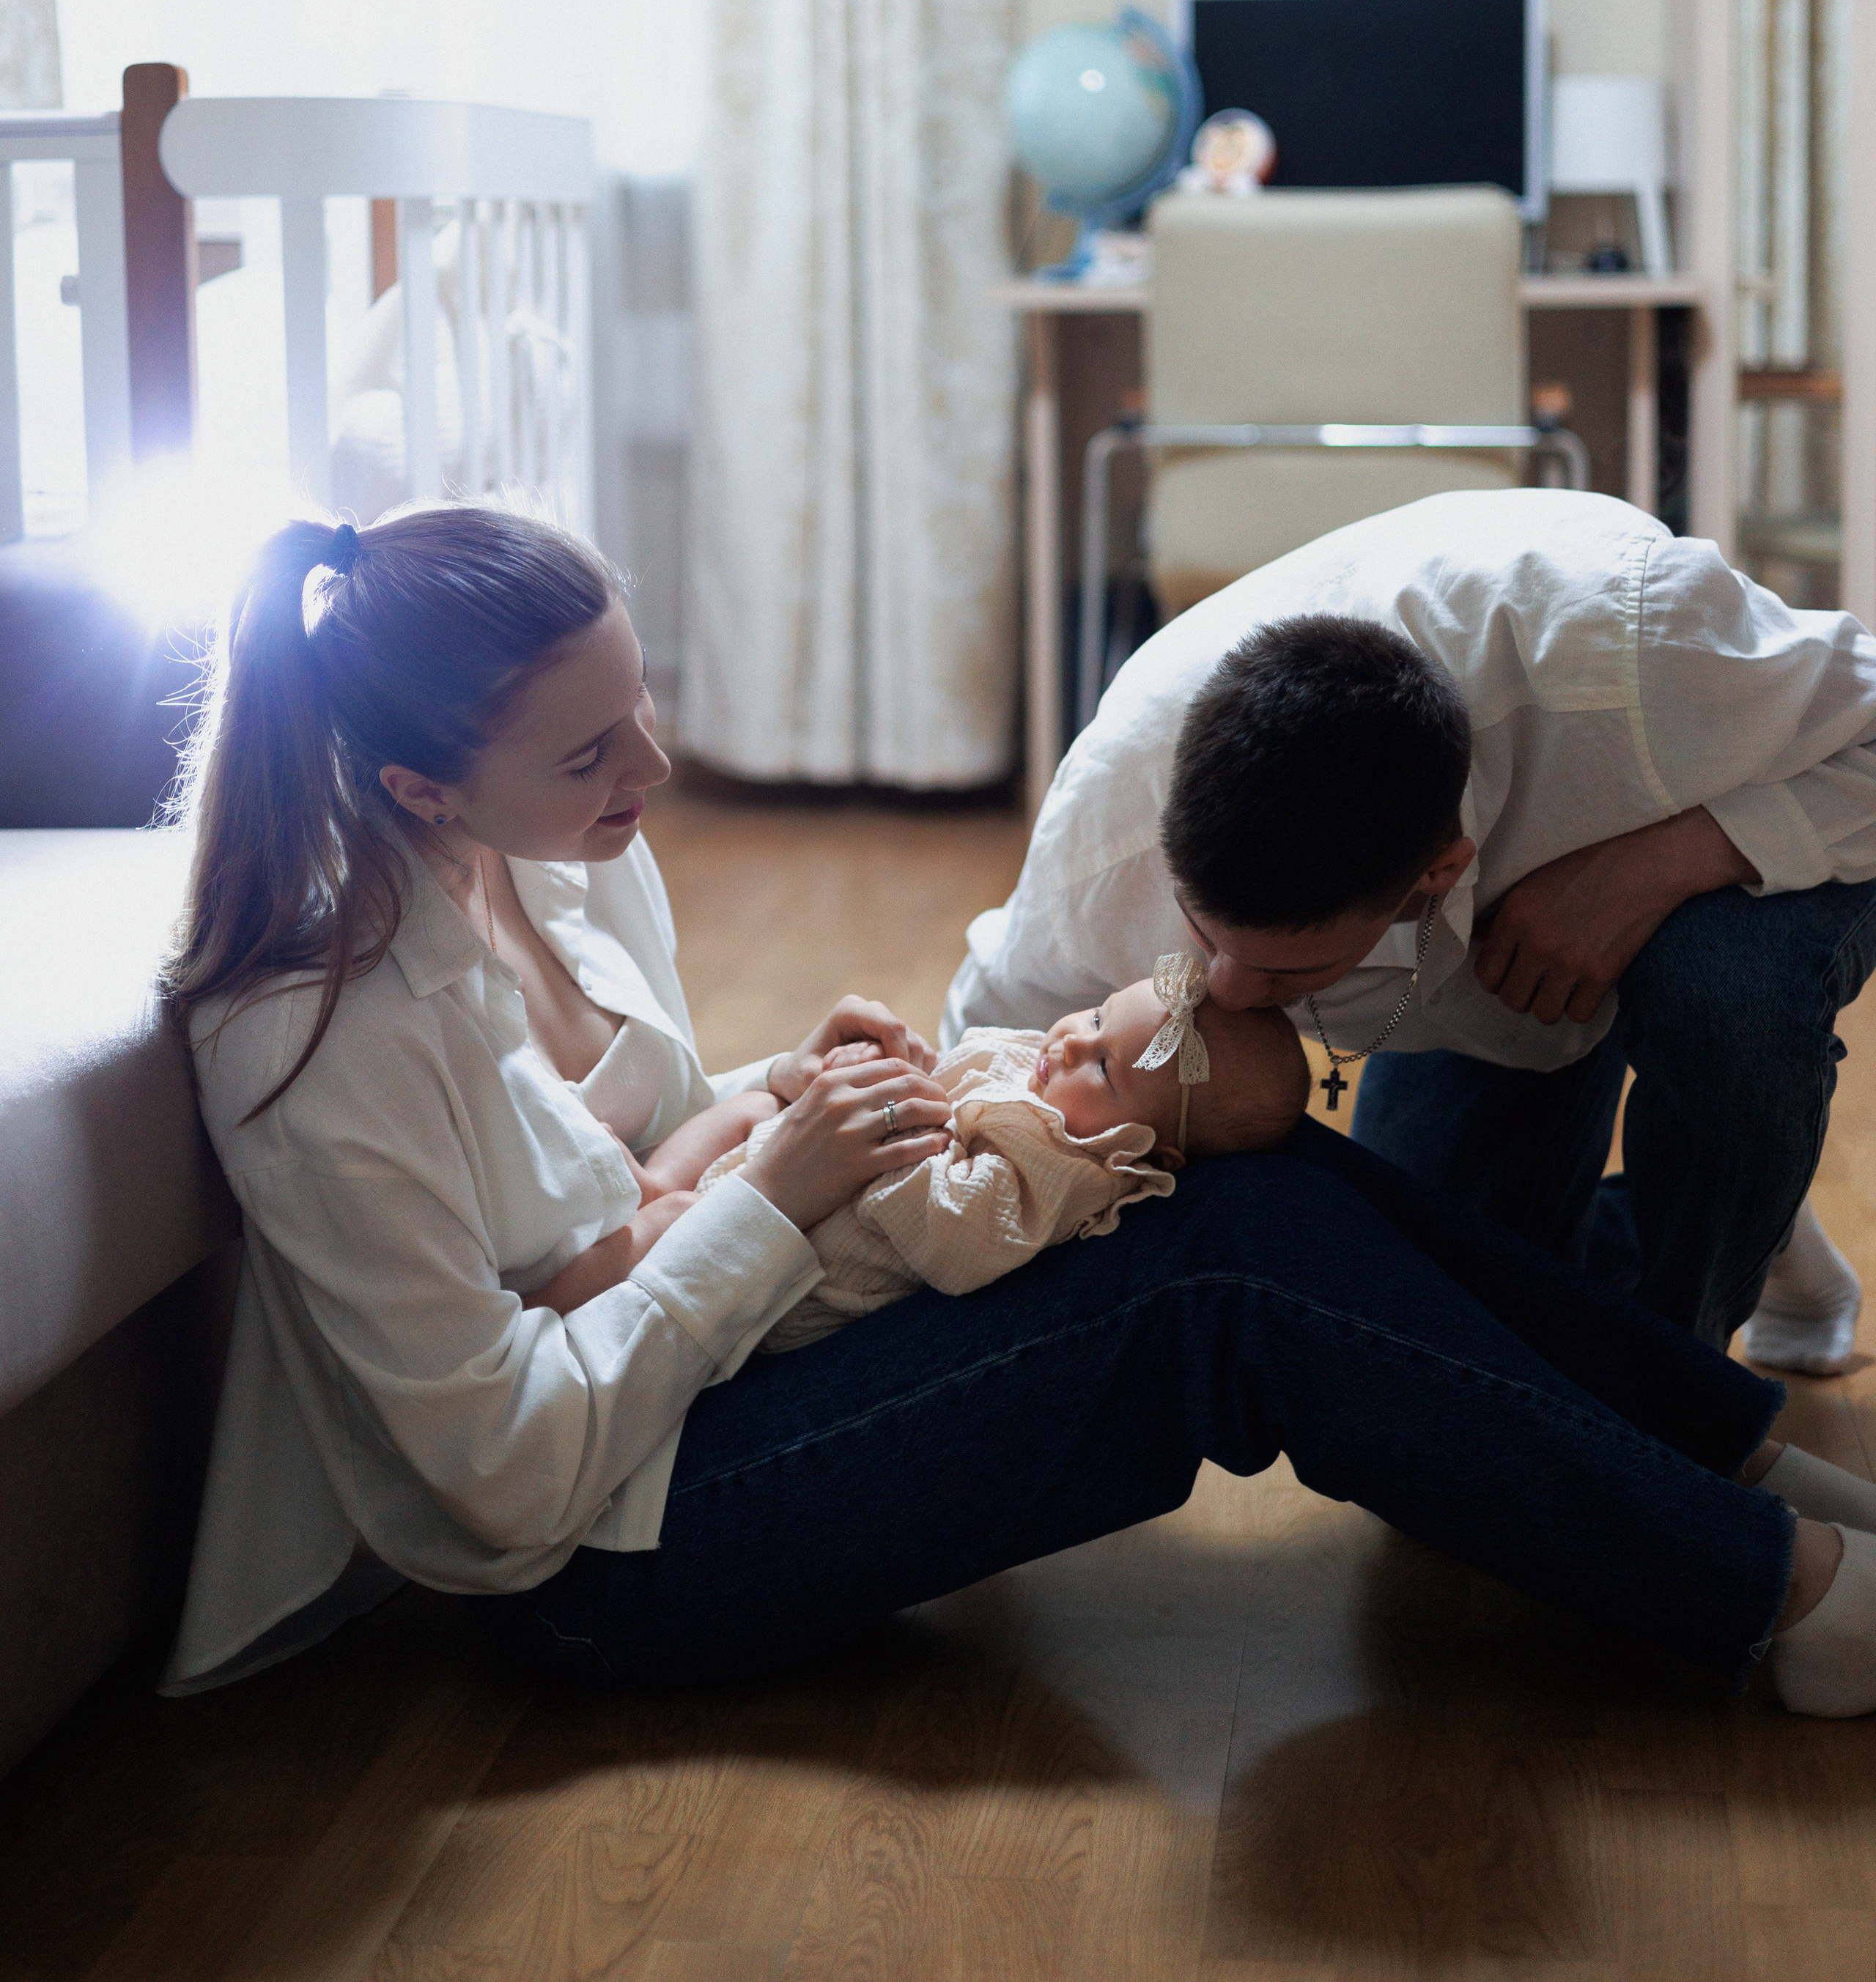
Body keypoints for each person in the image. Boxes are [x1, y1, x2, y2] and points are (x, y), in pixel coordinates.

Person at [159, 503, 1876, 1716]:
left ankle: (1726, 1452)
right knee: (1219, 1275)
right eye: (590, 751)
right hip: (609, 1557)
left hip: (726, 1373)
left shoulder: (551, 853)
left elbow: (642, 1151)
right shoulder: (312, 1029)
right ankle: (1785, 1596)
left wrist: (803, 1085)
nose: (653, 769)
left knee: (1219, 1162)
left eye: (640, 706)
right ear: (418, 785)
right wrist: (766, 1195)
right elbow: (502, 1479)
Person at [943, 487, 1876, 1362]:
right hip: (1483, 1002)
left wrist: (1655, 865)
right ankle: (1752, 1208)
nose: (1225, 993)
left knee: (1723, 994)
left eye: (1284, 973)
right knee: (1437, 1301)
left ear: (1437, 875)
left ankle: (1688, 1357)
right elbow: (981, 1058)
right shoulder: (1107, 836)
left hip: (1708, 864)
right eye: (1201, 930)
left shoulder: (1643, 640)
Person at [542, 961, 1312, 1351]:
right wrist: (891, 1069)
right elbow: (953, 1078)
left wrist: (899, 1139)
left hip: (799, 1280)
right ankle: (652, 1181)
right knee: (751, 1108)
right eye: (1095, 1015)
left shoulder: (1065, 1171)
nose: (1073, 1041)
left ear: (1142, 1149)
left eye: (1104, 1067)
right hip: (804, 1172)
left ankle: (536, 1314)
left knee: (673, 1223)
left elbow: (959, 1240)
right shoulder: (1049, 1077)